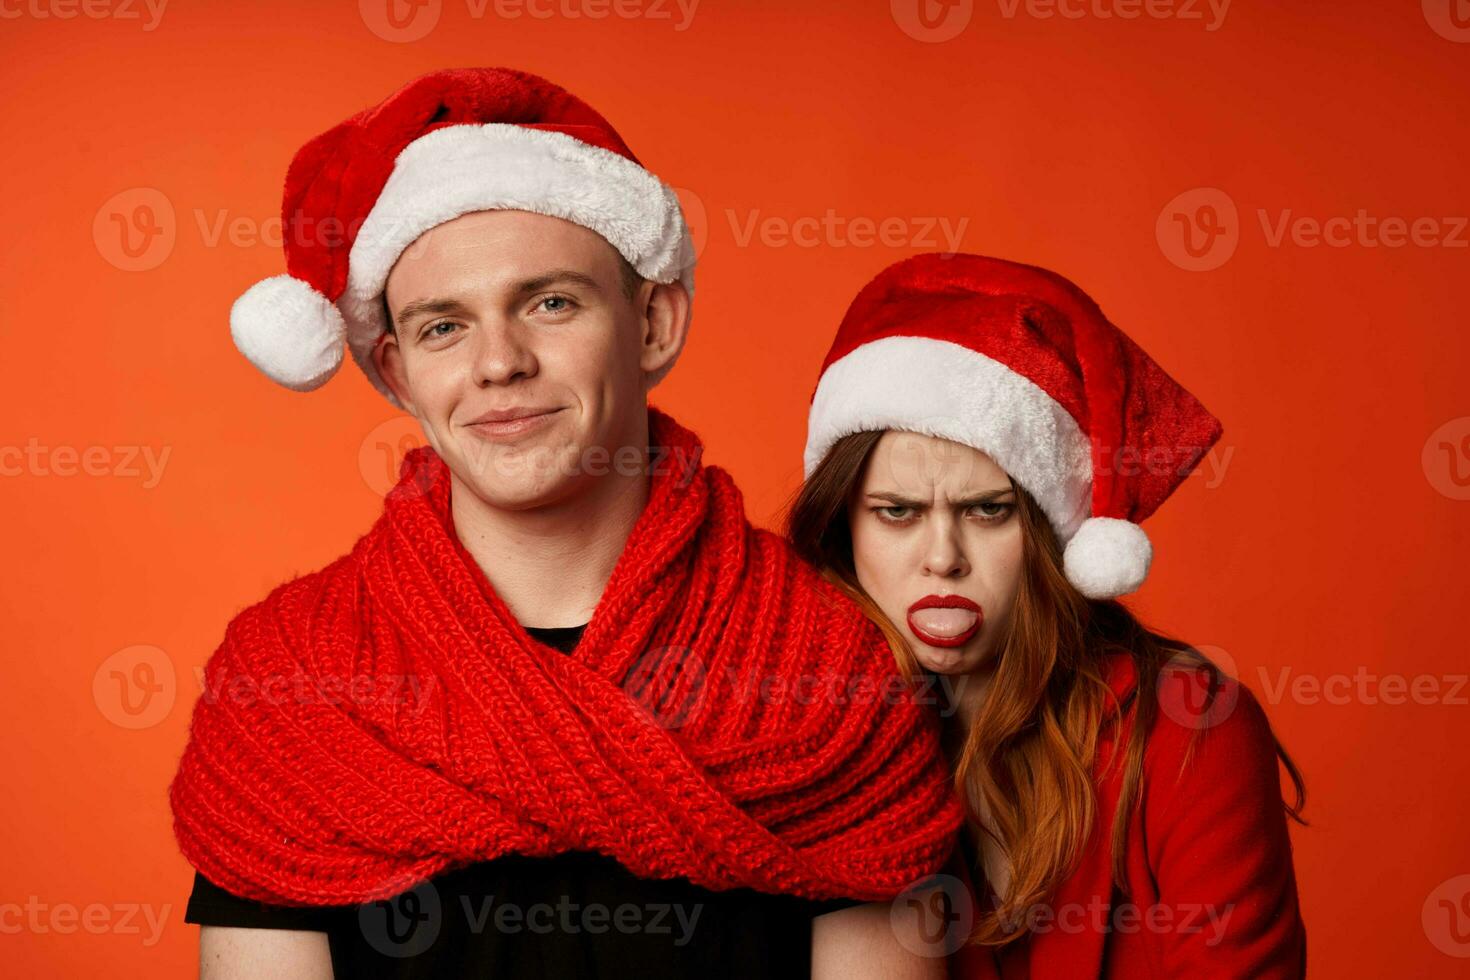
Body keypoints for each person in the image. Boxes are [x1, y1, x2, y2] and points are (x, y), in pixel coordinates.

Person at [169, 68, 963, 980]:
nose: (499, 363)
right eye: (443, 328)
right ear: (394, 371)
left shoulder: (832, 662)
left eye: (550, 303)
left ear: (654, 323)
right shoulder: (288, 683)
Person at [787, 253, 1308, 977]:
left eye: (988, 510)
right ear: (845, 530)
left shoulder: (1190, 730)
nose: (943, 558)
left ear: (1054, 532)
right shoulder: (808, 734)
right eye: (897, 512)